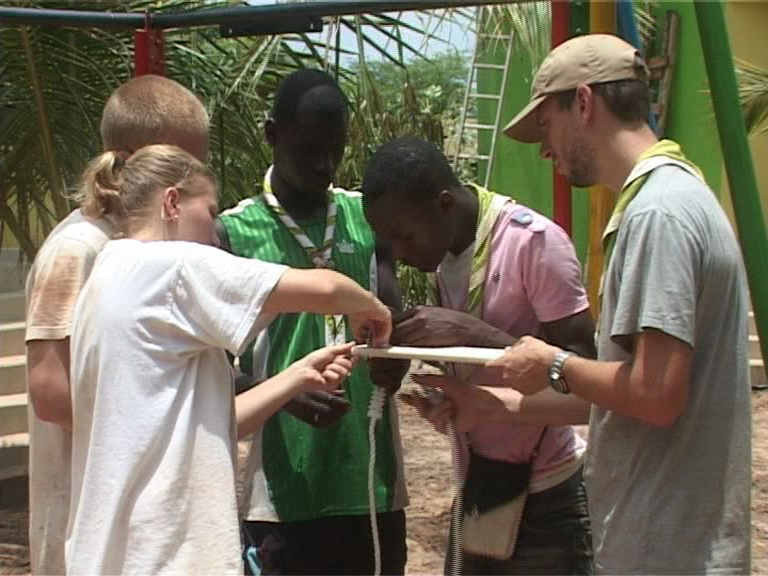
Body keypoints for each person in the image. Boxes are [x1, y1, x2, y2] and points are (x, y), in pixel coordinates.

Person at [483, 33, 751, 574]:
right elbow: (634, 397)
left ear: (583, 103)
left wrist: (554, 363)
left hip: (668, 551)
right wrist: (495, 403)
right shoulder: (681, 196)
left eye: (546, 125)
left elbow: (656, 395)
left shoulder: (656, 215)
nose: (544, 149)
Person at [66, 144, 392, 575]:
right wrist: (371, 308)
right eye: (210, 211)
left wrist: (295, 377)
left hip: (114, 553)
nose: (214, 231)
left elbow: (224, 425)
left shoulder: (107, 273)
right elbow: (327, 289)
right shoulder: (172, 266)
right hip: (166, 556)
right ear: (172, 202)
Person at [362, 136, 595, 575]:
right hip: (483, 488)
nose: (399, 253)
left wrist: (476, 335)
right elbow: (492, 379)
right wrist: (447, 399)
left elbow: (585, 378)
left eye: (404, 235)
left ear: (444, 204)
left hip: (548, 495)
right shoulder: (445, 254)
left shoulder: (534, 242)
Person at [217, 68, 408, 575]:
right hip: (282, 498)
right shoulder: (232, 235)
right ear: (271, 134)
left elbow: (397, 323)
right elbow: (210, 369)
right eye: (309, 150)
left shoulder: (367, 220)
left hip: (371, 487)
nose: (325, 165)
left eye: (336, 149)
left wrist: (398, 361)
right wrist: (283, 392)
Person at [24, 74, 209, 576]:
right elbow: (51, 394)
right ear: (127, 162)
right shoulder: (77, 249)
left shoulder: (146, 244)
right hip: (84, 530)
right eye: (179, 168)